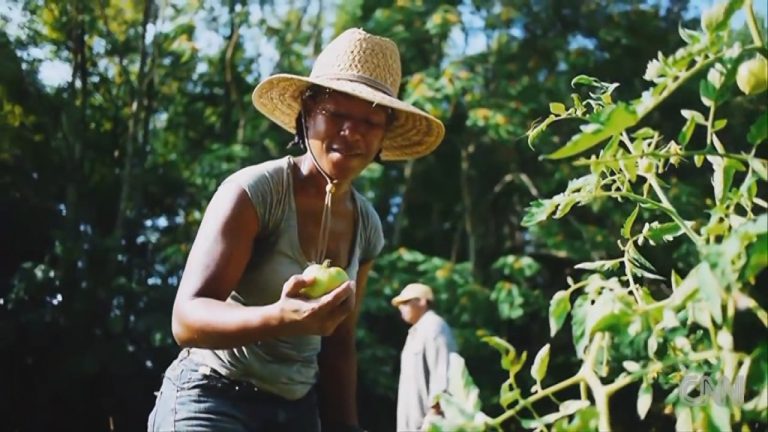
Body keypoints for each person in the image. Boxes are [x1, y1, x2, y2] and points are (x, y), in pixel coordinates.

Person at [146, 28, 445, 432]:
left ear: (382, 138)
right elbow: (186, 320)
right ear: (306, 114)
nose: (351, 132)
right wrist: (278, 318)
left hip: (295, 411)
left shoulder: (367, 225)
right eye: (337, 114)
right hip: (212, 397)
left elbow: (339, 345)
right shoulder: (256, 193)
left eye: (370, 121)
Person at [391, 283, 457, 431]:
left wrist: (434, 415)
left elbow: (443, 373)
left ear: (422, 301)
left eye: (406, 302)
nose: (401, 307)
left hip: (429, 426)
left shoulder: (434, 326)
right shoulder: (415, 332)